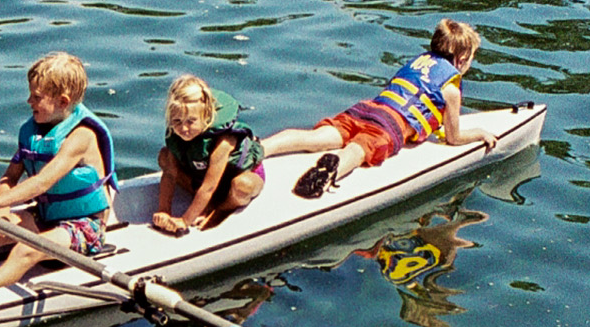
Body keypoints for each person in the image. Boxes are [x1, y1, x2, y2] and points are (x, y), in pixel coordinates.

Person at [0, 51, 116, 300]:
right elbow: (9, 177)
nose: (29, 101)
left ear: (62, 101)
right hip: (48, 216)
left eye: (37, 97)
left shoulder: (81, 136)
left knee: (27, 248)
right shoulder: (35, 132)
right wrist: (1, 209)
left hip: (85, 226)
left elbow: (42, 182)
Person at [262, 18, 500, 197]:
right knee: (359, 149)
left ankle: (261, 147)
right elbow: (453, 137)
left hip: (366, 109)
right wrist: (480, 133)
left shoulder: (418, 62)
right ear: (461, 59)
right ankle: (331, 172)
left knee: (316, 136)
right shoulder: (451, 89)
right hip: (388, 125)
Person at [152, 75, 264, 235]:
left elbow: (209, 186)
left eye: (191, 121)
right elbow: (169, 175)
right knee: (165, 157)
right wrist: (163, 211)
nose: (184, 128)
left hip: (233, 181)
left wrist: (185, 220)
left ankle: (221, 209)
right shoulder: (177, 135)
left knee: (242, 186)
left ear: (206, 117)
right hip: (202, 178)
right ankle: (207, 204)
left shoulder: (224, 141)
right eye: (177, 121)